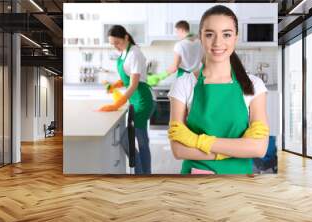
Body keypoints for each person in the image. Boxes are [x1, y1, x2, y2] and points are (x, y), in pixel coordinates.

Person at [167, 5, 270, 175]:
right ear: (200, 37)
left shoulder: (253, 85)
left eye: (226, 34)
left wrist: (196, 141)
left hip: (240, 183)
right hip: (195, 179)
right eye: (209, 34)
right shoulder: (183, 84)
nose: (217, 43)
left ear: (235, 38)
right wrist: (236, 149)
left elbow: (259, 148)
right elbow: (179, 150)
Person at [98, 25, 154, 174]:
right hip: (134, 101)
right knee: (138, 140)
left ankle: (143, 173)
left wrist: (117, 104)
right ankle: (142, 172)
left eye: (118, 42)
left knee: (133, 140)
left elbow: (134, 84)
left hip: (142, 100)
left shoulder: (134, 53)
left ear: (126, 37)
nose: (115, 46)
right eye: (112, 44)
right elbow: (127, 80)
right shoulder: (124, 53)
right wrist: (115, 84)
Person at [147, 20, 203, 86]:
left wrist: (159, 77)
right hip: (198, 78)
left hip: (184, 80)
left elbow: (174, 67)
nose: (177, 35)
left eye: (177, 32)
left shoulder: (180, 45)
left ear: (181, 30)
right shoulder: (200, 42)